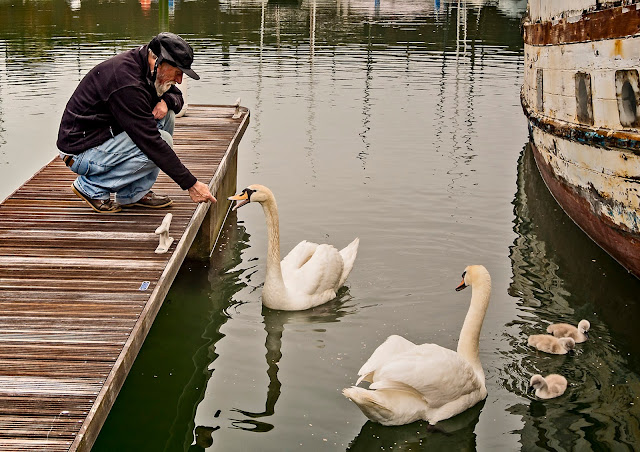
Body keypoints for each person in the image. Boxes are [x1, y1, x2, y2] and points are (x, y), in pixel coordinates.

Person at [56, 32, 217, 213]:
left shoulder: (148, 66)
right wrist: (191, 184)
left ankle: (133, 193)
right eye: (178, 72)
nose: (179, 80)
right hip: (80, 152)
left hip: (107, 135)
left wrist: (166, 102)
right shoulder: (127, 83)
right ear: (159, 62)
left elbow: (177, 97)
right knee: (162, 141)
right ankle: (91, 187)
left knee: (167, 115)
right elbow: (150, 143)